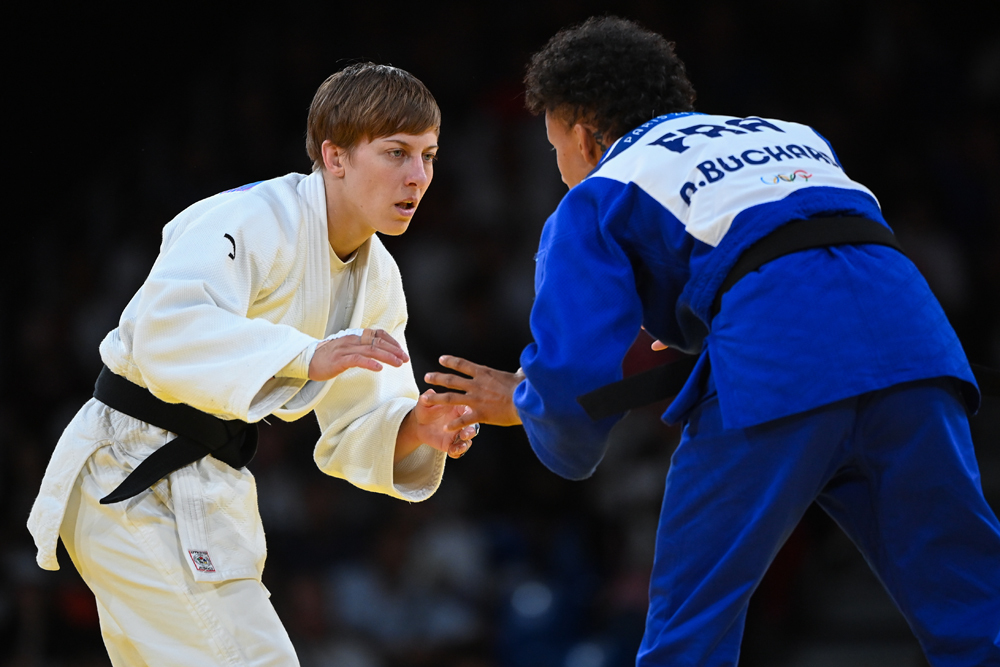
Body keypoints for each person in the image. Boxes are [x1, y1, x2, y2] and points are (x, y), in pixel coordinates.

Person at [425, 17, 1000, 667]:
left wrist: (526, 404)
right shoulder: (791, 135)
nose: (561, 173)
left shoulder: (601, 190)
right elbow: (802, 255)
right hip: (914, 343)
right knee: (977, 607)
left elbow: (576, 369)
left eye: (556, 149)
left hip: (780, 355)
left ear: (583, 135)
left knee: (689, 632)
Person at [27, 63, 479, 666]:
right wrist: (304, 355)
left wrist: (416, 427)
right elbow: (165, 328)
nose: (417, 176)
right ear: (335, 157)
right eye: (396, 153)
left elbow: (359, 424)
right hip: (133, 467)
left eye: (428, 156)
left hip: (208, 487)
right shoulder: (252, 219)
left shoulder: (378, 279)